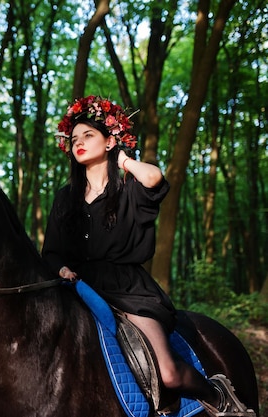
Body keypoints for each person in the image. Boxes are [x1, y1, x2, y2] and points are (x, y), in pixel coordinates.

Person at [42, 95, 255, 417]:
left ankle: (219, 395)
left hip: (128, 290)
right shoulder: (65, 197)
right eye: (73, 139)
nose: (78, 143)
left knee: (168, 373)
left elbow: (154, 179)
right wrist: (60, 270)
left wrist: (124, 161)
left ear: (110, 141)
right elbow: (52, 251)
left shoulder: (130, 190)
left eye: (89, 136)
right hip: (77, 288)